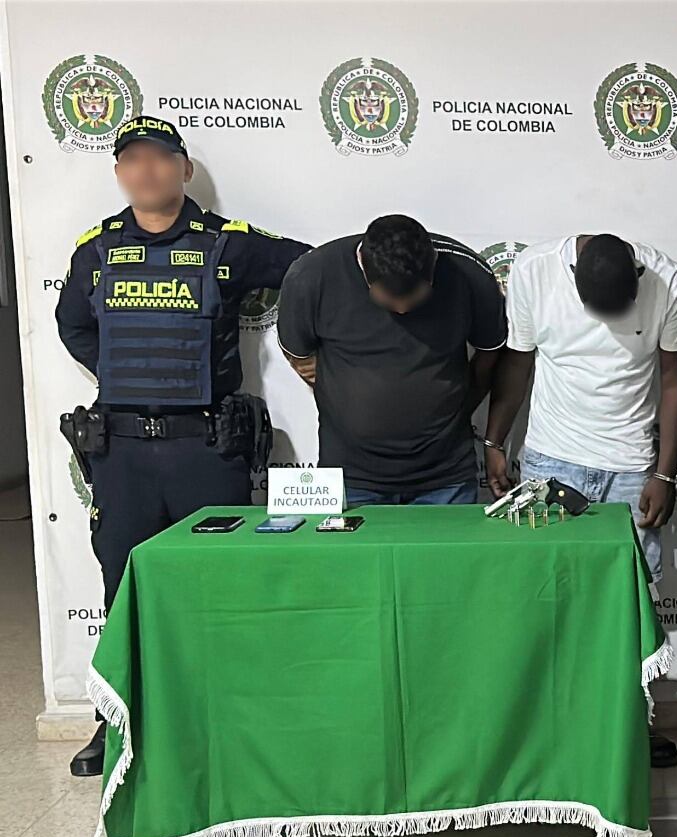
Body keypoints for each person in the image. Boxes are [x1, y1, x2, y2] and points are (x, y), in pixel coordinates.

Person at [55, 115, 310, 776]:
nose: (147, 171)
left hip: (208, 449)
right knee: (124, 591)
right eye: (132, 161)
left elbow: (312, 270)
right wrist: (124, 377)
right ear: (119, 174)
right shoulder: (96, 250)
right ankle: (114, 725)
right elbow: (75, 329)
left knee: (222, 591)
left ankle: (232, 723)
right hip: (125, 455)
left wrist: (313, 352)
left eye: (161, 158)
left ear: (184, 169)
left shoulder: (229, 245)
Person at [482, 232, 677, 766]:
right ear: (572, 281)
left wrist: (664, 472)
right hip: (552, 459)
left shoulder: (667, 281)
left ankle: (629, 729)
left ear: (639, 279)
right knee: (545, 600)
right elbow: (518, 364)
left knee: (630, 606)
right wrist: (494, 441)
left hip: (630, 467)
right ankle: (547, 733)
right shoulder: (534, 271)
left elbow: (671, 380)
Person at [276, 215, 506, 505]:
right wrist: (345, 395)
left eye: (415, 298)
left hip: (446, 476)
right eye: (388, 300)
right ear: (364, 273)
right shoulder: (313, 275)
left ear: (433, 265)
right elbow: (297, 353)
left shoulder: (468, 272)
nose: (401, 309)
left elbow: (490, 353)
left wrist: (457, 405)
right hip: (350, 477)